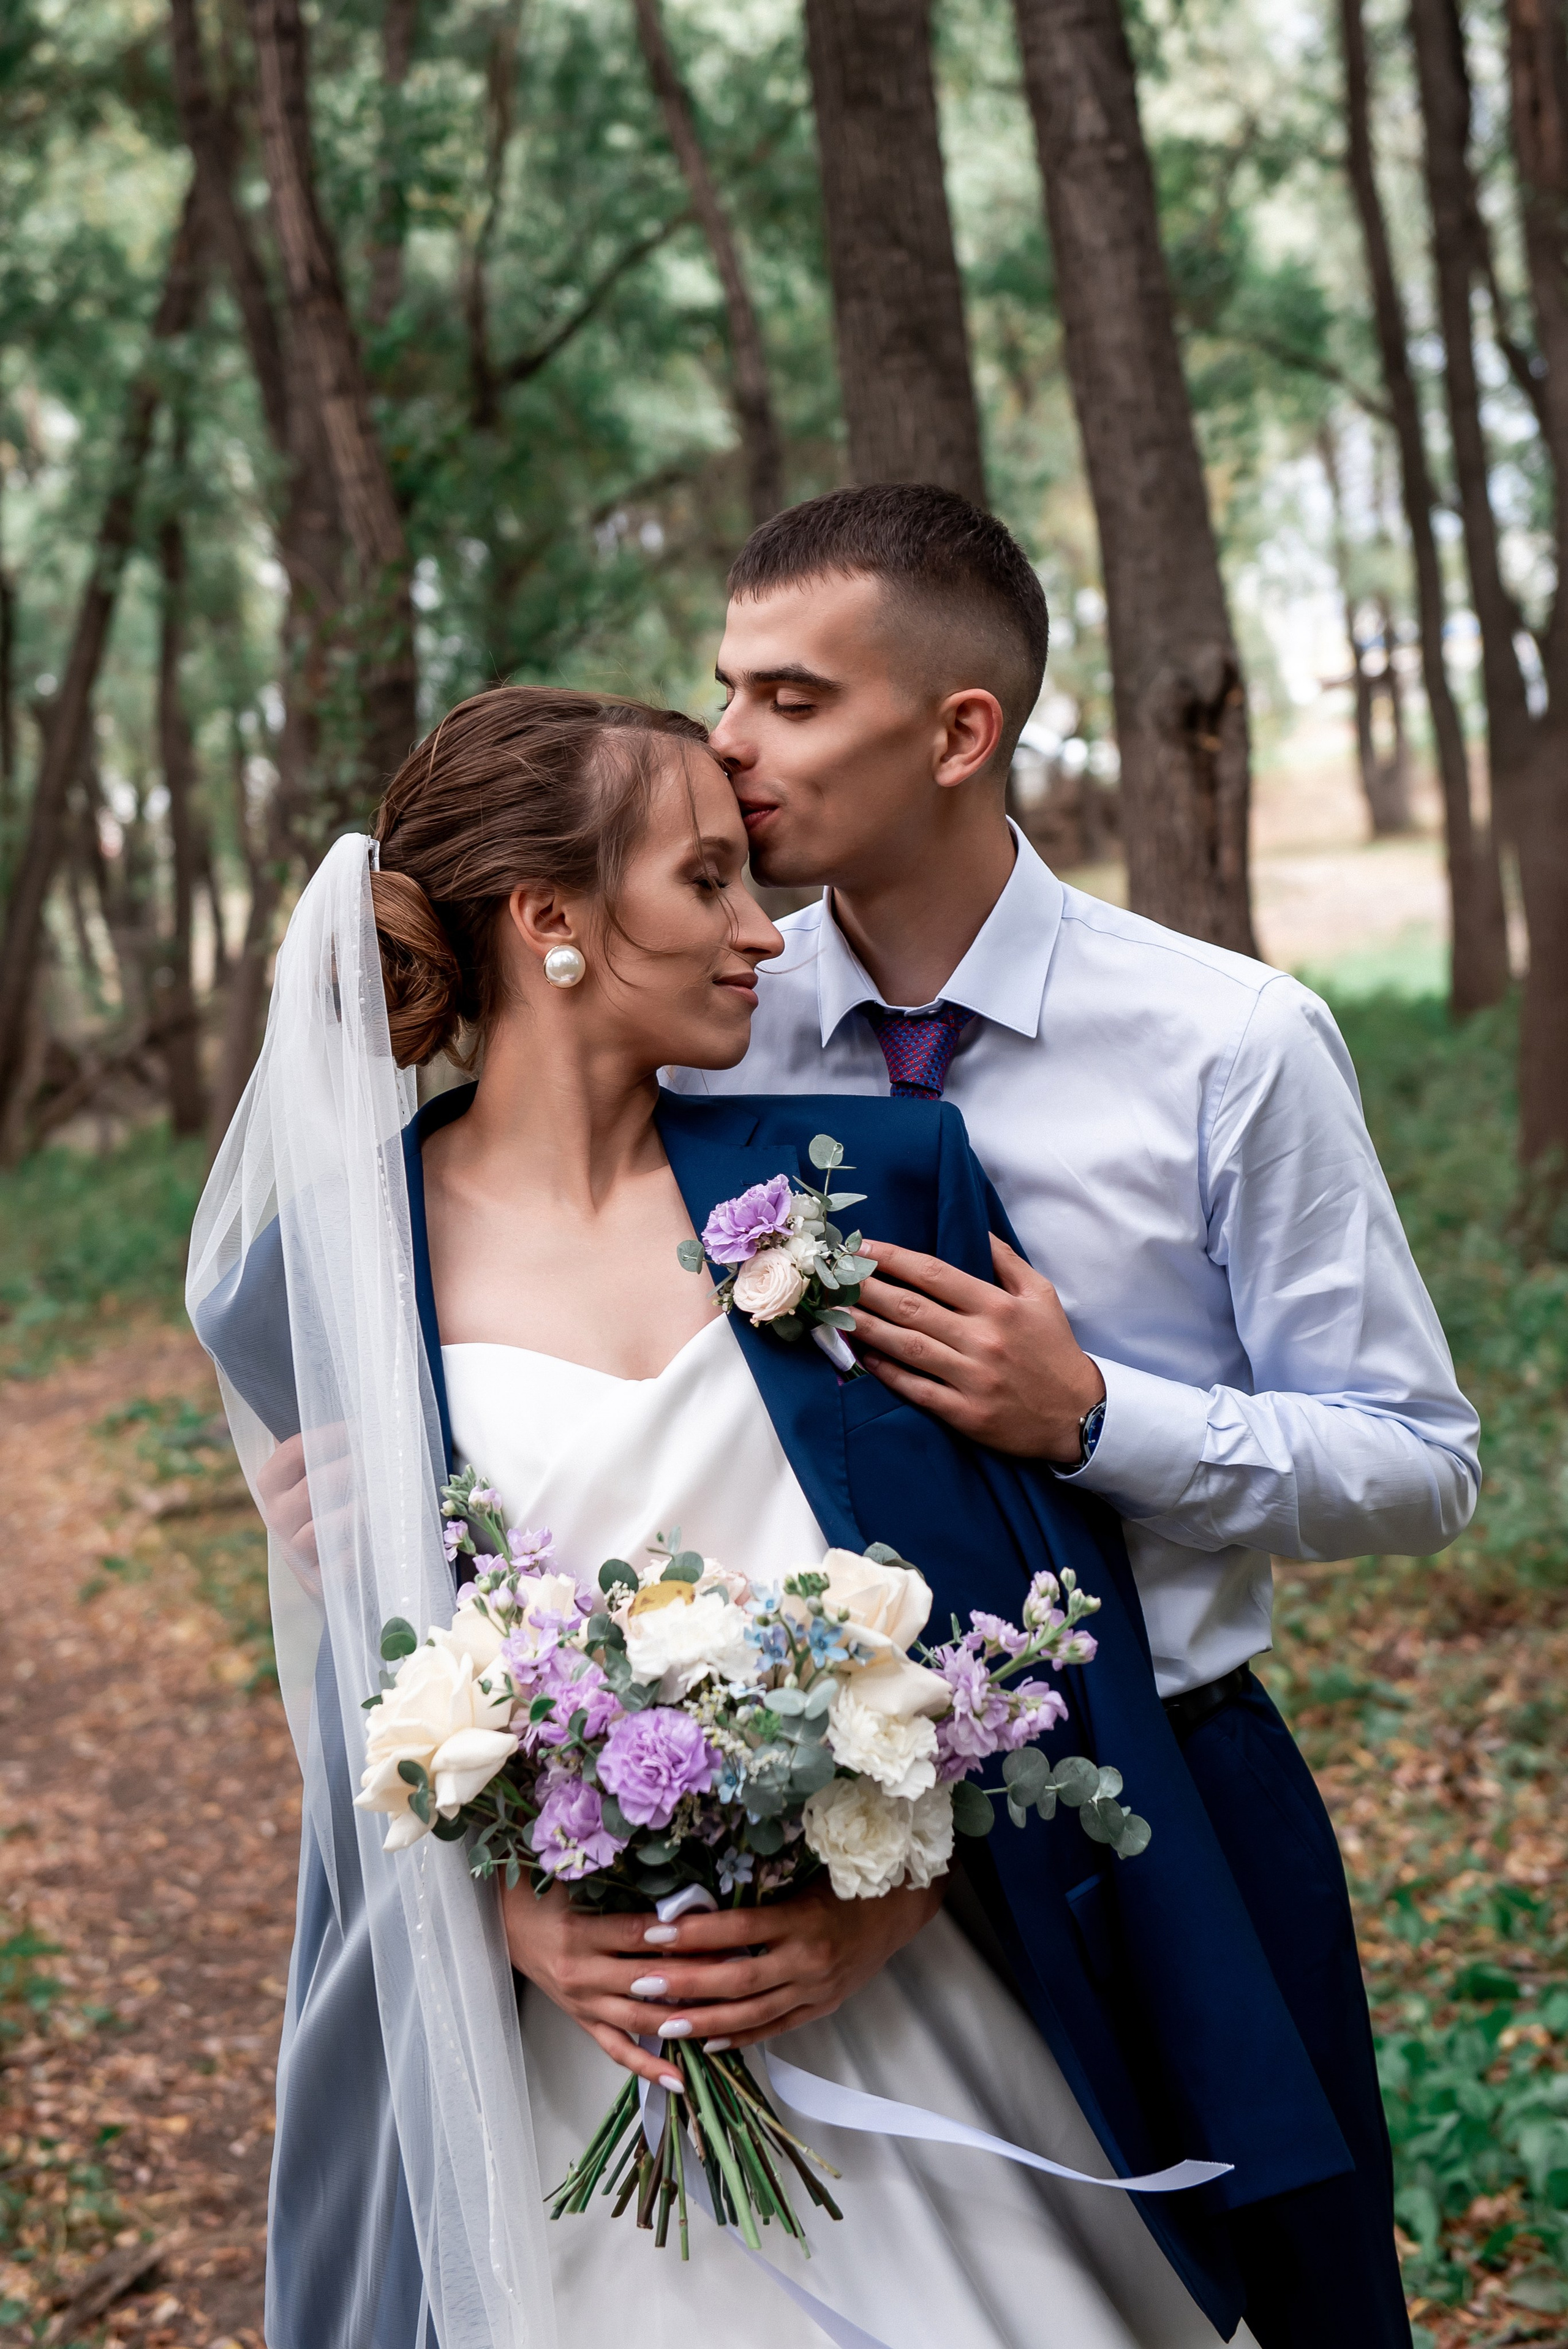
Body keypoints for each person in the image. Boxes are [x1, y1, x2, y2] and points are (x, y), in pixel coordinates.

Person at [188, 686, 1351, 2349]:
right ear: (550, 920)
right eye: (708, 880)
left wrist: (895, 1884)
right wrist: (511, 1917)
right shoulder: (322, 1281)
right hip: (565, 2074)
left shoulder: (874, 1185)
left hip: (920, 2008)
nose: (764, 932)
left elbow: (1031, 1608)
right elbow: (373, 1721)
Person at [666, 482, 1483, 2349]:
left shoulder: (1230, 1041)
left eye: (792, 698)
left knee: (1284, 2310)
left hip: (1165, 1799)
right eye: (725, 687)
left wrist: (1098, 1413)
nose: (727, 745)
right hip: (814, 1833)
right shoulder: (712, 1025)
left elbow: (1421, 1463)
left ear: (961, 731)